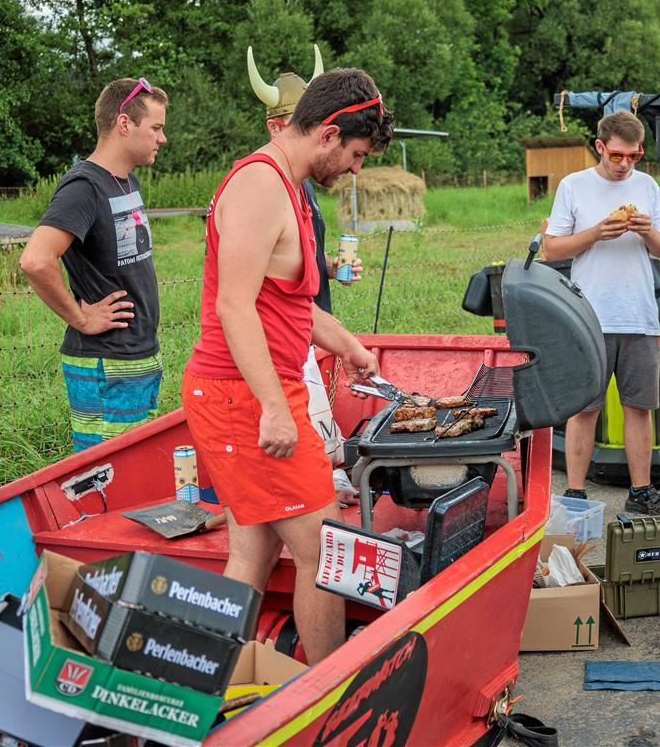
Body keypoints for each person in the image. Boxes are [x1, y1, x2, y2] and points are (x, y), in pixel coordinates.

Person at [181, 68, 394, 664]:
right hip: (243, 396)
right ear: (327, 134)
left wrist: (347, 344)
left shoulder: (289, 186)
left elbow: (289, 302)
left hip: (259, 392)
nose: (355, 169)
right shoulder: (259, 185)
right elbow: (233, 304)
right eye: (354, 154)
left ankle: (208, 675)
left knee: (252, 549)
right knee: (327, 547)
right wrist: (274, 406)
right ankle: (327, 693)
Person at [543, 111, 660, 516]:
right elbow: (552, 249)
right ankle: (574, 492)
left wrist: (645, 231)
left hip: (638, 312)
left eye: (634, 157)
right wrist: (594, 234)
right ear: (600, 147)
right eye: (618, 156)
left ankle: (641, 490)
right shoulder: (574, 186)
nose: (625, 165)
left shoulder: (648, 185)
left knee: (640, 407)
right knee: (585, 408)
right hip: (590, 316)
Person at [20, 78, 168, 452]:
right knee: (107, 479)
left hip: (136, 359)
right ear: (124, 124)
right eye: (155, 128)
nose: (161, 139)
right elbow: (36, 260)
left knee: (136, 474)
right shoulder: (83, 186)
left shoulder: (125, 180)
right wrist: (82, 319)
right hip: (106, 366)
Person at [248, 45, 364, 477]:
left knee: (326, 452)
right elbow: (244, 300)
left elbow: (297, 258)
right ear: (277, 126)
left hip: (314, 324)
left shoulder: (306, 185)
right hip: (282, 345)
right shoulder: (261, 185)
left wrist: (330, 267)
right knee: (313, 464)